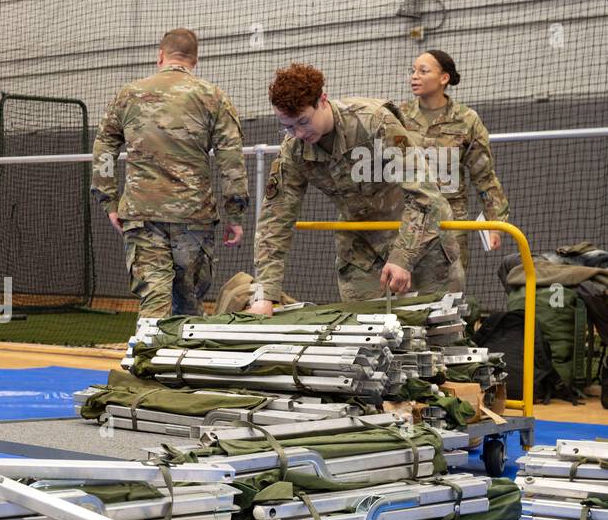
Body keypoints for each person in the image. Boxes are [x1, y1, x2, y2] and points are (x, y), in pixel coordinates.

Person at [249, 63, 462, 316]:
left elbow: (426, 196)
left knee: (439, 335)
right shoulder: (294, 148)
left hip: (420, 240)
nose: (298, 132)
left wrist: (402, 257)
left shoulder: (374, 121)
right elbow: (274, 220)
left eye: (303, 122)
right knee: (366, 339)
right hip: (363, 249)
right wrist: (266, 294)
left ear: (322, 100)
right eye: (287, 126)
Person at [91, 28, 247, 318]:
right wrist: (234, 215)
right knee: (188, 304)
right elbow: (231, 159)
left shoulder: (129, 95)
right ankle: (183, 362)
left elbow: (104, 147)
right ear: (195, 61)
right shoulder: (213, 97)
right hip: (194, 217)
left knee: (154, 297)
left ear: (160, 56)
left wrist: (108, 201)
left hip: (142, 214)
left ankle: (148, 357)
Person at [399, 50, 508, 269]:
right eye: (413, 71)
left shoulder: (466, 120)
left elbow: (484, 177)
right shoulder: (398, 116)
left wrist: (495, 223)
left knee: (448, 296)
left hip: (449, 223)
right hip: (405, 223)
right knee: (403, 298)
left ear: (444, 78)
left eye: (423, 71)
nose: (414, 76)